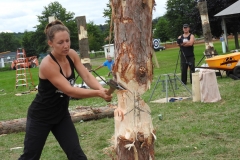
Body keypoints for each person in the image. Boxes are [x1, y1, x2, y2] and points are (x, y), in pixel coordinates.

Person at [18, 20, 112, 160]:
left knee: (77, 156)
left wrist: (101, 88)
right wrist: (98, 93)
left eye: (67, 41)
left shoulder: (72, 55)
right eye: (60, 42)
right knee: (30, 157)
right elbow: (69, 90)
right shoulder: (47, 64)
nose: (66, 45)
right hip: (40, 117)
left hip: (61, 116)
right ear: (51, 43)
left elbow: (86, 75)